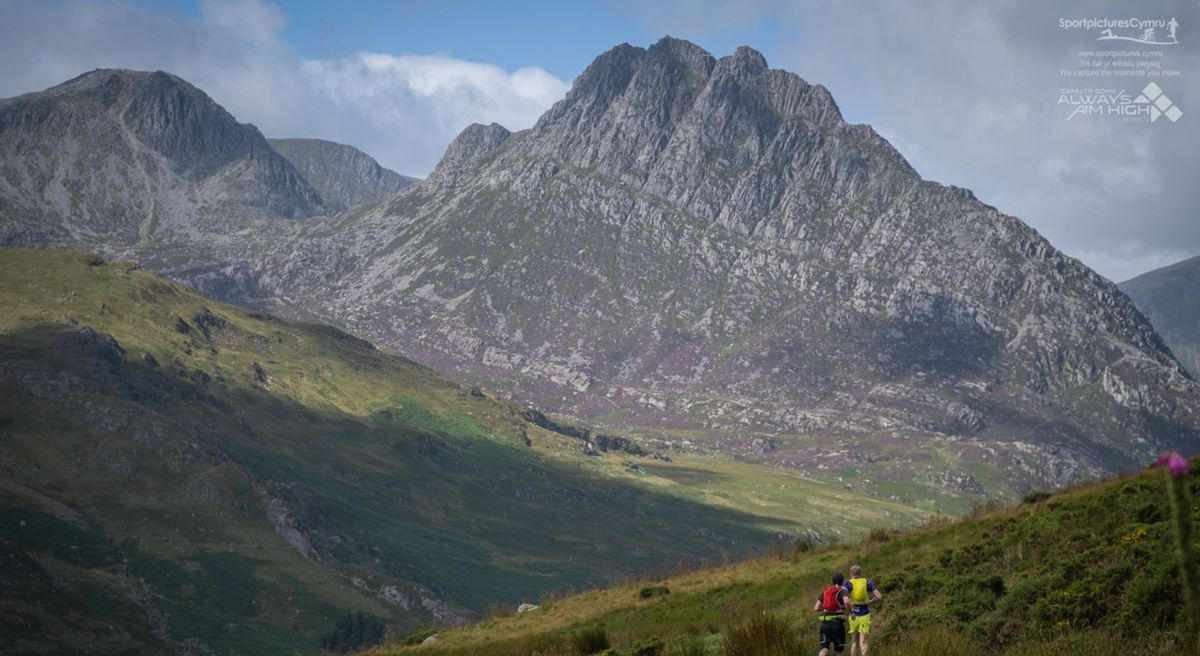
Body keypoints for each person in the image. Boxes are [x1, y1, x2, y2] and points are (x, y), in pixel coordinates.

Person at [844, 565, 882, 656]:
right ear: (860, 573)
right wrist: (870, 602)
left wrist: (850, 612)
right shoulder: (867, 582)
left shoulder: (848, 583)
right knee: (863, 641)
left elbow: (845, 601)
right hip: (865, 614)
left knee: (854, 642)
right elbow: (879, 597)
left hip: (853, 616)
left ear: (850, 573)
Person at [813, 572, 849, 655]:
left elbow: (816, 608)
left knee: (824, 649)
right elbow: (847, 602)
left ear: (832, 581)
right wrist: (849, 611)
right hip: (838, 626)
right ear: (842, 581)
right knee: (838, 652)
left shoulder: (825, 591)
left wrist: (826, 608)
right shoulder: (842, 591)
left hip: (824, 625)